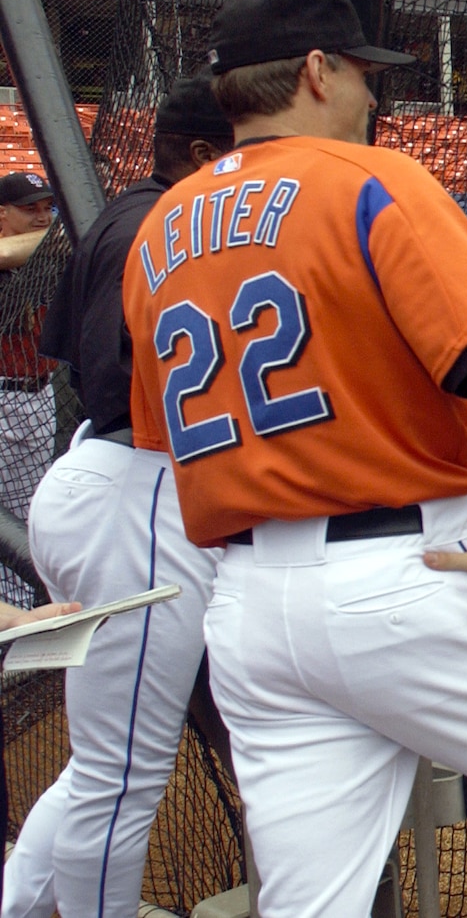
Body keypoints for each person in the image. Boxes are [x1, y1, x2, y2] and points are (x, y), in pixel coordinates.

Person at [120, 0, 467, 915]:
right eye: (361, 75)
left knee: (312, 903)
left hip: (251, 614)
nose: (374, 97)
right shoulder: (371, 179)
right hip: (400, 581)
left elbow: (174, 445)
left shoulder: (158, 229)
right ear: (315, 71)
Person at [3, 76, 242, 918]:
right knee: (122, 775)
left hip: (108, 487)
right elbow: (111, 377)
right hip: (136, 494)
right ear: (204, 155)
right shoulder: (160, 222)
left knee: (101, 766)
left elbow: (69, 344)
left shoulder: (124, 210)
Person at [0, 172, 58, 543]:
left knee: (31, 509)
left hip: (42, 395)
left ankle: (20, 595)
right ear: (2, 214)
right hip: (3, 394)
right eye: (28, 209)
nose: (41, 217)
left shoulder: (53, 257)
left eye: (47, 208)